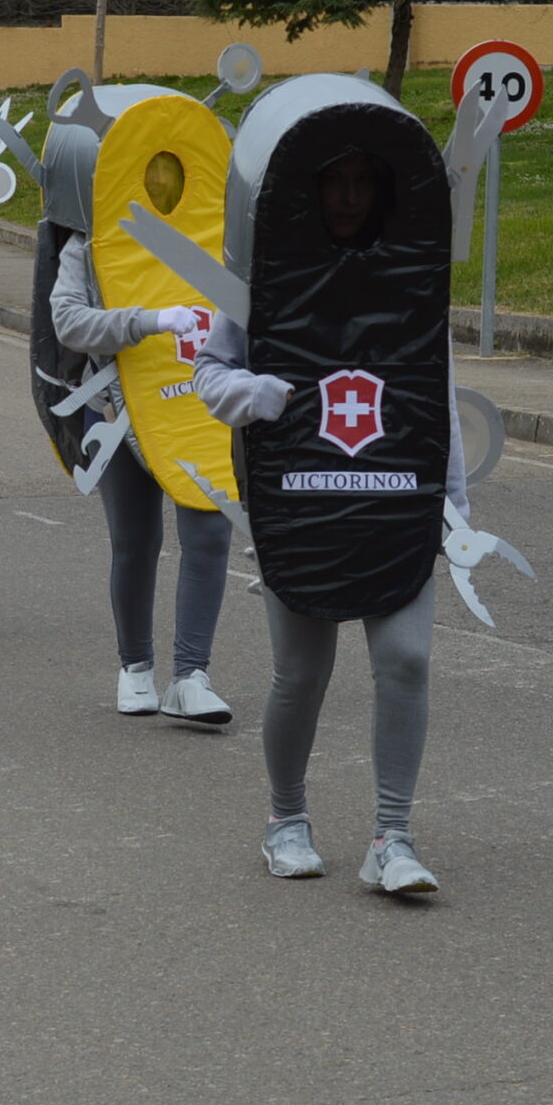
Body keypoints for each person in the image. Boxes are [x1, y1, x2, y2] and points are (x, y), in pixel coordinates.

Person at [194, 140, 462, 897]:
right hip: (300, 498)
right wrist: (261, 397)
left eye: (362, 181)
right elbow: (210, 374)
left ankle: (393, 837)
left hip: (398, 496)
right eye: (333, 182)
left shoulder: (409, 274)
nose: (347, 197)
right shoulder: (262, 280)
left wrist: (454, 507)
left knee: (407, 660)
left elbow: (430, 392)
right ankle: (286, 820)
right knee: (303, 674)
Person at [50, 145, 234, 723]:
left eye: (173, 177)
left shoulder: (218, 240)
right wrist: (145, 321)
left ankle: (191, 675)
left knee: (208, 535)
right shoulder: (91, 245)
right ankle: (134, 667)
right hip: (115, 412)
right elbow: (67, 320)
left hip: (199, 409)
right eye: (151, 177)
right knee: (137, 543)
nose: (163, 189)